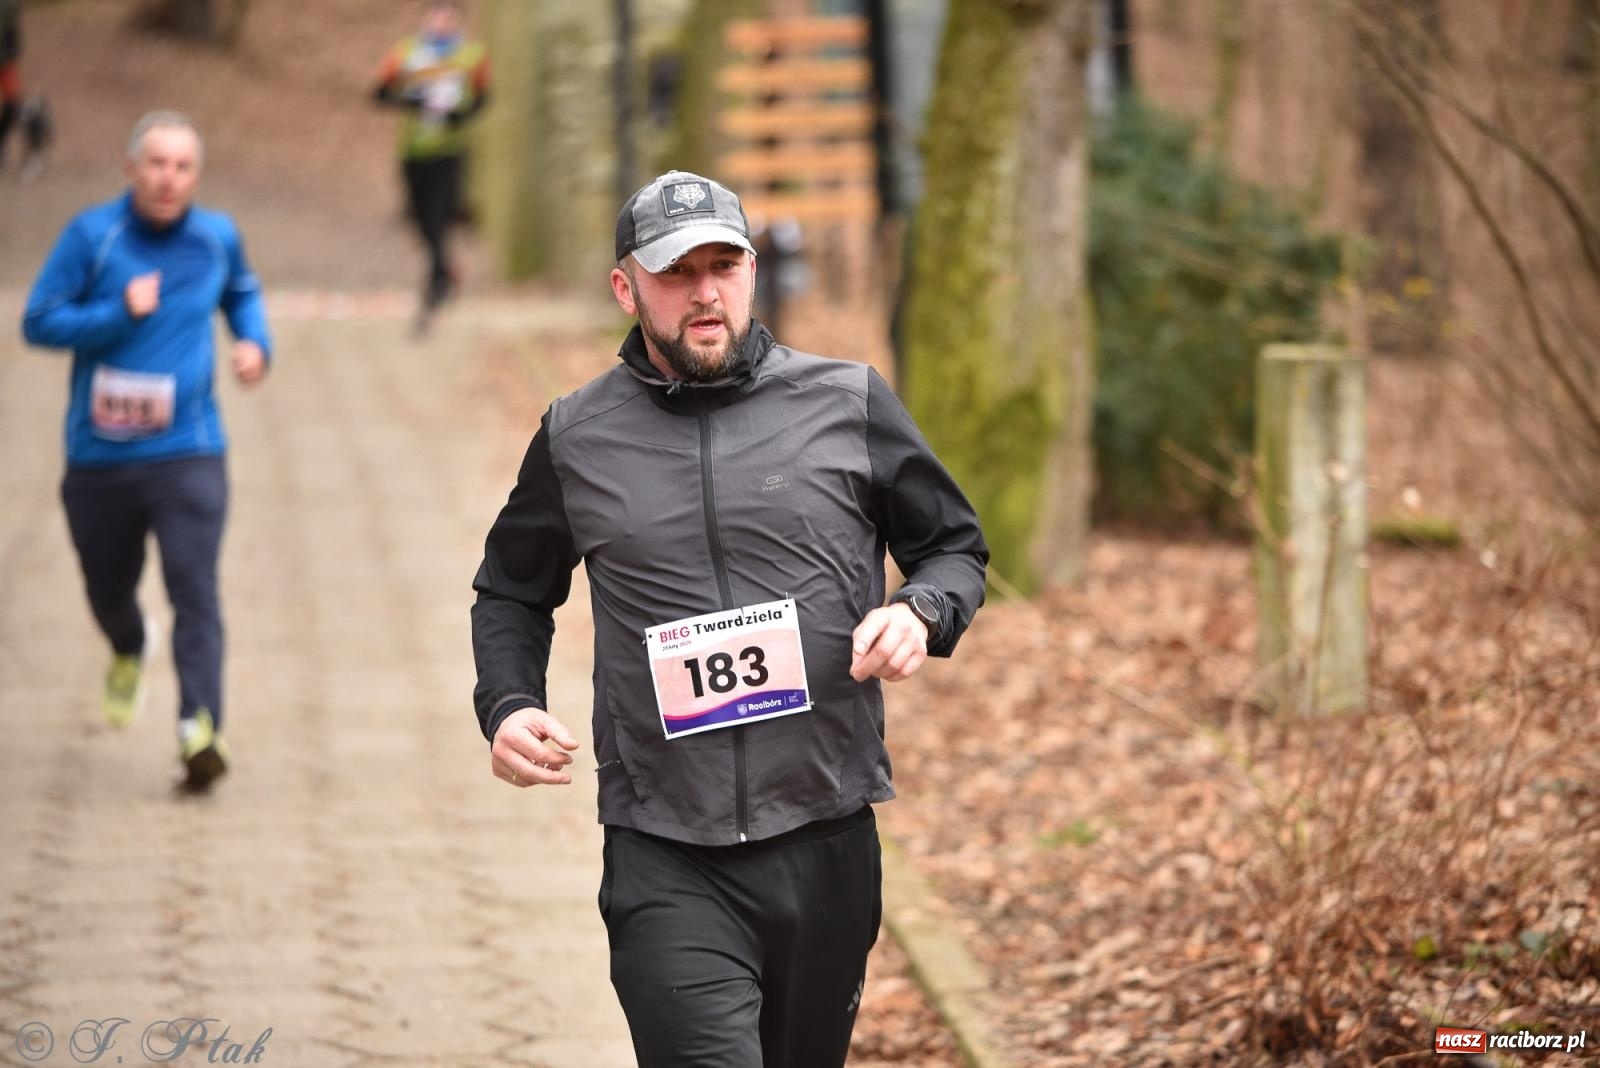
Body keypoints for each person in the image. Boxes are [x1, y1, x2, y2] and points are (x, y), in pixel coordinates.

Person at [470, 170, 988, 1067]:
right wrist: (508, 702)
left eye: (725, 264)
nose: (706, 292)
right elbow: (513, 590)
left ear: (752, 270)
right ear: (626, 288)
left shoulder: (848, 402)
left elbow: (955, 548)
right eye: (677, 271)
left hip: (825, 837)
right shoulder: (577, 437)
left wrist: (922, 609)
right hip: (667, 852)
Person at [21, 111, 272, 791]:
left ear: (196, 175)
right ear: (132, 168)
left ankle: (200, 728)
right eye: (156, 164)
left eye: (183, 166)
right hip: (98, 459)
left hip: (188, 450)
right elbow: (38, 321)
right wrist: (116, 313)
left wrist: (254, 345)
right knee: (108, 587)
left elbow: (242, 294)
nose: (169, 178)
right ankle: (129, 644)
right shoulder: (93, 237)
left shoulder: (216, 238)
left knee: (195, 589)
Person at [373, 0, 491, 330]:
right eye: (435, 15)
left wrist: (460, 115)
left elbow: (484, 97)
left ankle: (435, 287)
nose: (441, 22)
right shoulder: (406, 52)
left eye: (448, 17)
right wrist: (408, 100)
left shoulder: (471, 56)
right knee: (419, 219)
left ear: (457, 21)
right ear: (426, 18)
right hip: (413, 150)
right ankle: (446, 270)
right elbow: (379, 93)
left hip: (451, 150)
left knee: (439, 217)